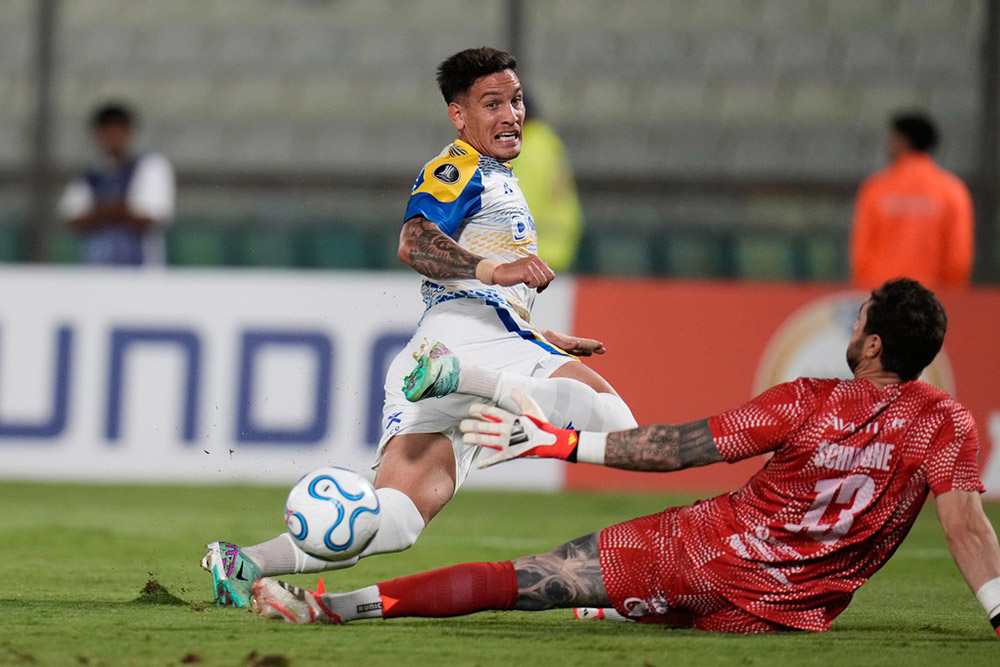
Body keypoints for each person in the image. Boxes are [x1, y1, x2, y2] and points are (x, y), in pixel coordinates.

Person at [250, 278, 1000, 637]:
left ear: (873, 344)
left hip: (696, 554)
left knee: (522, 579)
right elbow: (967, 528)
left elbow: (675, 449)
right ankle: (614, 600)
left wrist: (562, 442)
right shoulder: (948, 424)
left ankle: (329, 607)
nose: (853, 326)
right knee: (641, 610)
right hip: (786, 612)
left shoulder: (807, 398)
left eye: (859, 320)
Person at [201, 47, 636, 607]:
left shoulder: (498, 177)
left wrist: (537, 335)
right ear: (459, 115)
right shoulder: (457, 168)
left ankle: (246, 562)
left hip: (452, 343)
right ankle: (467, 380)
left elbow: (482, 290)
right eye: (492, 104)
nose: (511, 114)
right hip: (463, 344)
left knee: (397, 519)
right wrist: (495, 270)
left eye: (516, 100)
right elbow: (414, 241)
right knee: (617, 424)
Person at [850, 112, 974, 290]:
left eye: (892, 138)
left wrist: (868, 293)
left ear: (901, 140)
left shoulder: (876, 189)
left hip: (883, 293)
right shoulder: (952, 190)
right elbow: (958, 256)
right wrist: (951, 294)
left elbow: (861, 253)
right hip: (932, 295)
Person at [58, 101, 175, 266]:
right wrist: (120, 211)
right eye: (106, 132)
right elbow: (73, 220)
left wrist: (100, 213)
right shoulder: (88, 175)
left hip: (140, 272)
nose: (112, 138)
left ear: (129, 132)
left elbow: (149, 218)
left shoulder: (149, 166)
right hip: (95, 271)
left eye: (117, 131)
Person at [514, 97, 583, 273]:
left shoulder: (529, 150)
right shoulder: (544, 142)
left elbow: (522, 203)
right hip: (553, 249)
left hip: (533, 253)